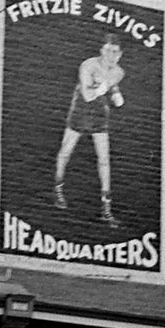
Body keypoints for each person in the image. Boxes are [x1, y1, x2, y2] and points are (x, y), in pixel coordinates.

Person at [54, 41, 125, 227]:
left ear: (120, 55)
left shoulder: (118, 72)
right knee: (65, 151)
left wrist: (115, 92)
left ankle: (106, 209)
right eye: (108, 50)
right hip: (81, 110)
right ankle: (58, 189)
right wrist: (103, 88)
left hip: (99, 113)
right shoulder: (88, 65)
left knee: (104, 160)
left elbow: (113, 83)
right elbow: (87, 95)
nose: (111, 54)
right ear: (102, 50)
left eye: (115, 51)